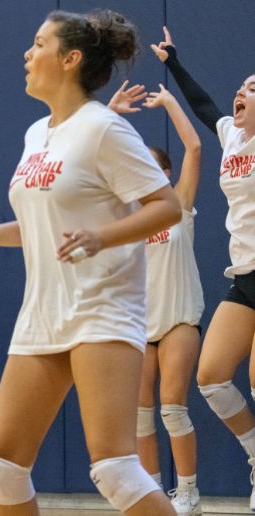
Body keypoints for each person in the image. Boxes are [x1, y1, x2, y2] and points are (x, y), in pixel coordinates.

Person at [0, 9, 182, 515]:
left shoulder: (104, 128)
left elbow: (167, 206)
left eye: (38, 44)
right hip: (43, 311)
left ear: (70, 59)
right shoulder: (37, 134)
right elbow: (48, 223)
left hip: (103, 307)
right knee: (2, 466)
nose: (27, 55)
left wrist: (102, 236)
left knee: (115, 467)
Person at [152, 26, 255, 511]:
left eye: (252, 90)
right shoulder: (233, 135)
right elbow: (203, 104)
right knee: (212, 378)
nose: (241, 93)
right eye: (241, 86)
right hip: (243, 275)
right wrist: (173, 61)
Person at [108, 80, 205, 515]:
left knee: (173, 409)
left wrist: (168, 102)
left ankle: (188, 493)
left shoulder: (178, 204)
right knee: (141, 416)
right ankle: (154, 494)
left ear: (163, 174)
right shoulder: (128, 215)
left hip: (180, 319)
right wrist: (110, 114)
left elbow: (196, 149)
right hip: (140, 325)